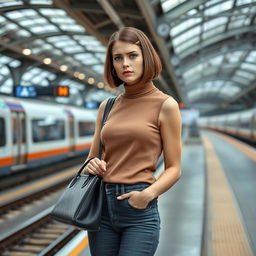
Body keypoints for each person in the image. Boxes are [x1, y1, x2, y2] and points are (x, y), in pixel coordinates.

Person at [84, 27, 182, 256]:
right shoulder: (106, 106)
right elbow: (92, 157)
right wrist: (92, 164)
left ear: (145, 57)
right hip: (102, 210)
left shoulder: (166, 105)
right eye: (118, 58)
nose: (125, 63)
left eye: (132, 55)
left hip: (139, 210)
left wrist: (147, 195)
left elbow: (174, 168)